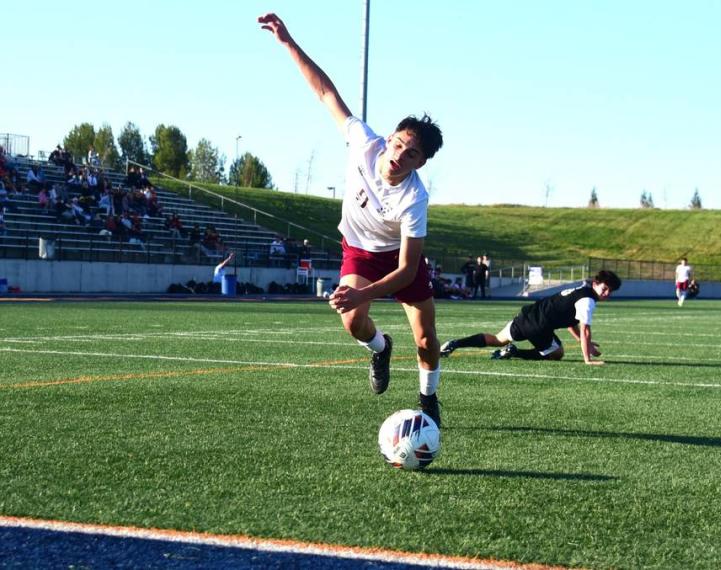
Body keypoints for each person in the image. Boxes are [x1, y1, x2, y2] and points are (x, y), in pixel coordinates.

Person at [260, 12, 445, 425]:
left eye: (411, 153)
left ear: (421, 162)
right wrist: (288, 41)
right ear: (391, 137)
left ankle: (428, 398)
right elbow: (325, 92)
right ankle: (380, 348)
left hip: (399, 262)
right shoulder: (364, 142)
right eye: (398, 144)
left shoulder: (415, 198)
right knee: (351, 322)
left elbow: (406, 269)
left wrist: (366, 293)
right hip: (359, 252)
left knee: (427, 338)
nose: (398, 155)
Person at [439, 270, 621, 365]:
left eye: (609, 292)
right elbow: (585, 329)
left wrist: (586, 344)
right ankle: (515, 352)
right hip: (540, 325)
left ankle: (454, 344)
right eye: (604, 289)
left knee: (497, 339)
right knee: (556, 354)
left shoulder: (582, 291)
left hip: (527, 315)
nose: (606, 293)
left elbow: (571, 323)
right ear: (596, 284)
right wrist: (587, 359)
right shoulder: (587, 300)